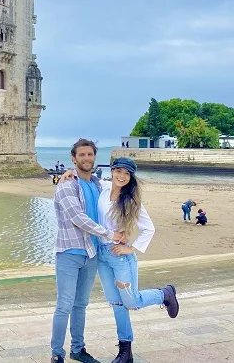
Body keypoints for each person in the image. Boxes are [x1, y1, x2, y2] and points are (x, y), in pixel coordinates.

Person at [60, 157, 179, 363]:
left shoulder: (131, 200)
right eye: (119, 171)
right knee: (116, 303)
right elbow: (85, 176)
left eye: (127, 173)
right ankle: (125, 352)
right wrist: (69, 172)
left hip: (120, 257)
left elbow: (149, 229)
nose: (122, 176)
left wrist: (130, 248)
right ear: (112, 171)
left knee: (131, 301)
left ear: (130, 177)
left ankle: (164, 294)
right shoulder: (104, 188)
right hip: (102, 256)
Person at [51, 139, 126, 363]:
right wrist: (109, 234)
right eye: (81, 155)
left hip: (91, 253)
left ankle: (78, 349)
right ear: (74, 158)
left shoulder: (96, 183)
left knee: (80, 305)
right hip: (70, 252)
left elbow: (117, 195)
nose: (86, 159)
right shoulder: (67, 184)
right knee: (64, 305)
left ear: (94, 157)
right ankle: (57, 353)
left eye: (90, 155)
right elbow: (77, 218)